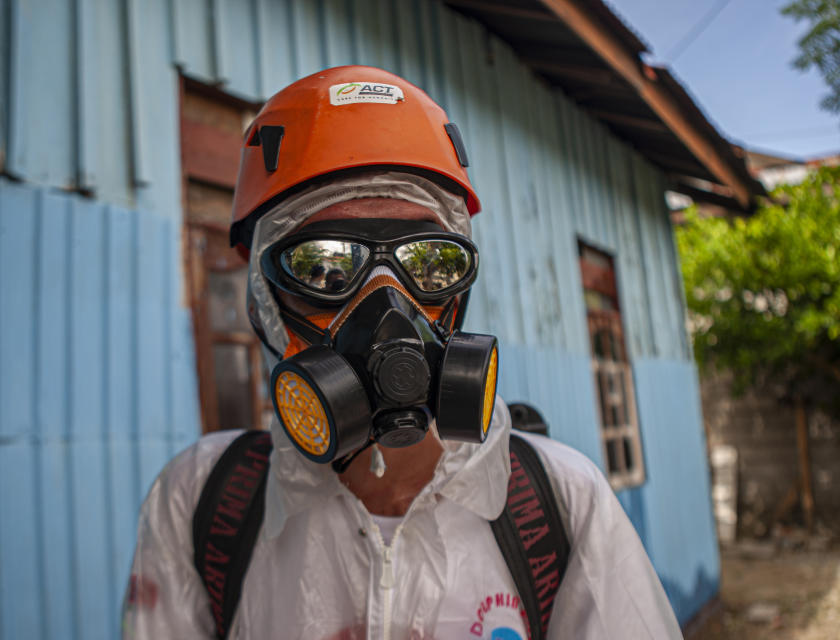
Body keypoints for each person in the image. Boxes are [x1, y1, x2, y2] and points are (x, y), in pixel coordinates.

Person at [122, 66, 682, 640]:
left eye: (431, 261)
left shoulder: (562, 502)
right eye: (325, 265)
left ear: (458, 292)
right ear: (266, 298)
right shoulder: (202, 503)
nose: (388, 307)